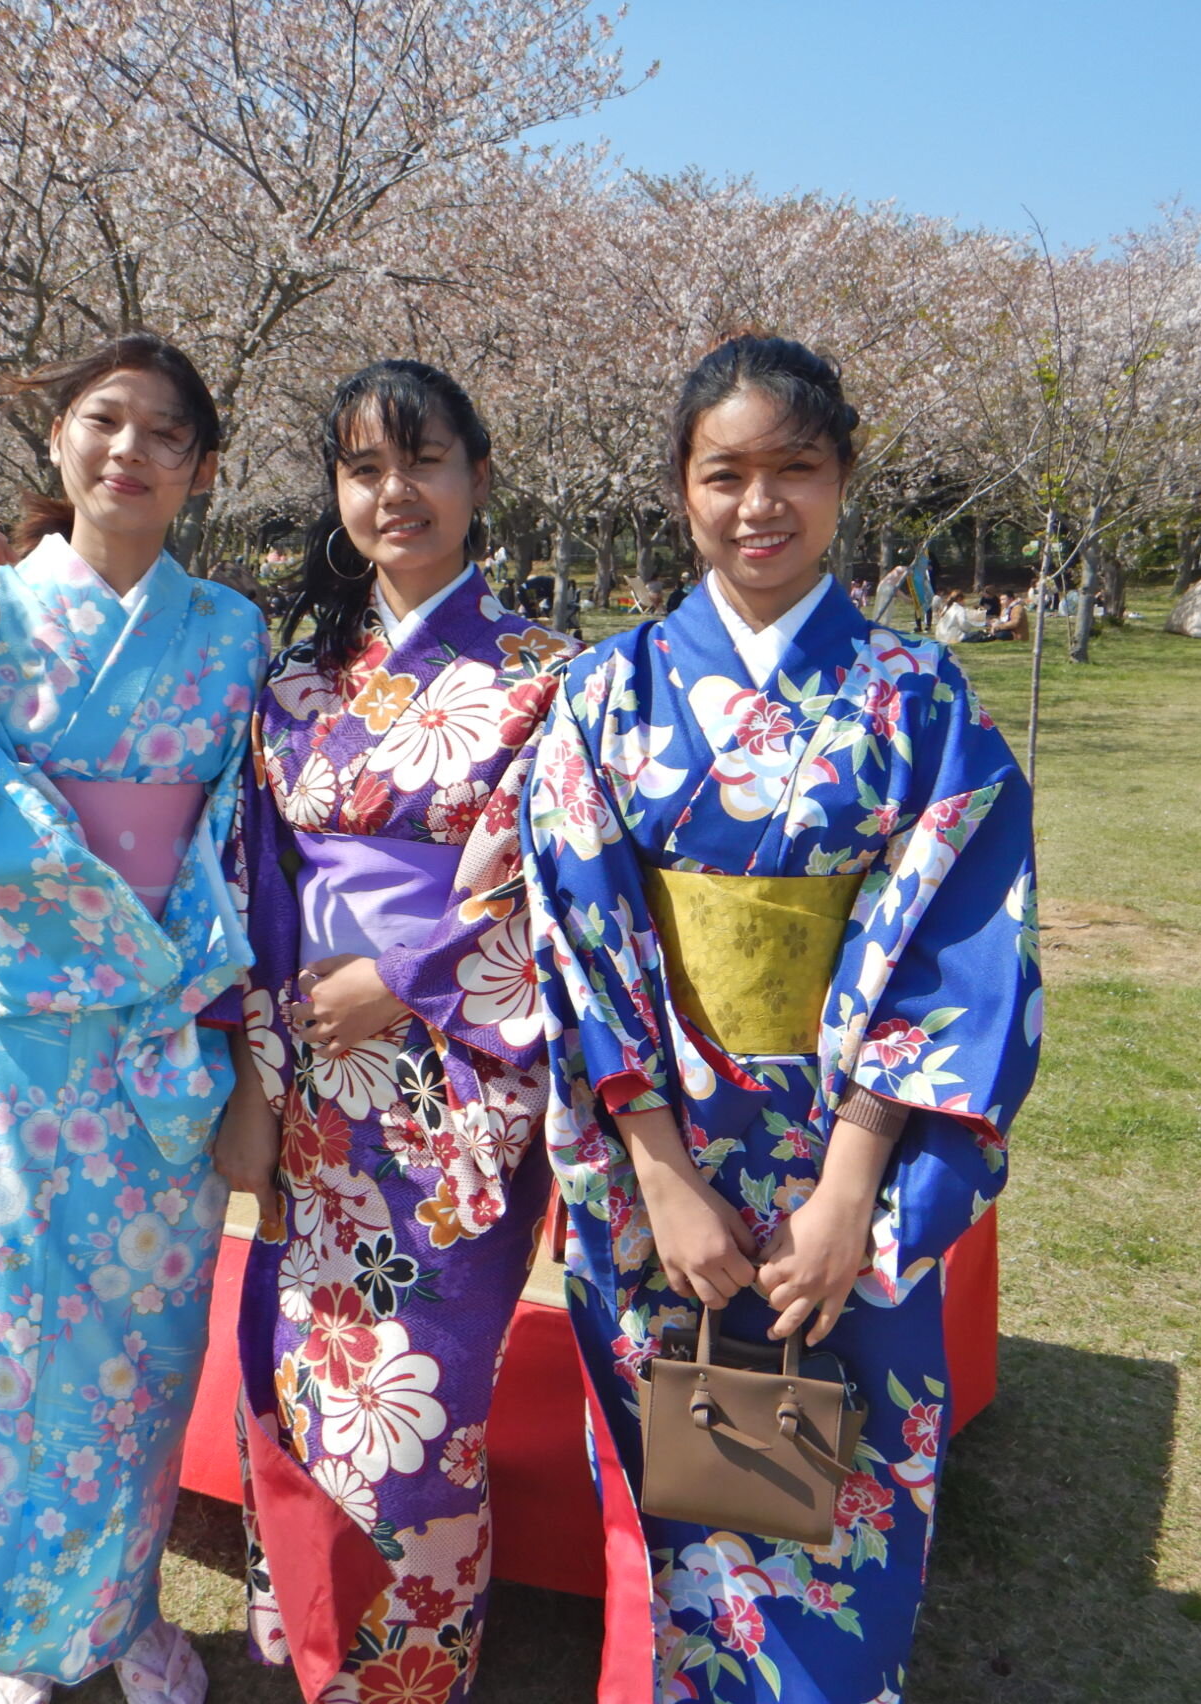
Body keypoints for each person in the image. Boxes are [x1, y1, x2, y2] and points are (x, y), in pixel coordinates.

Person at [522, 335, 1041, 1704]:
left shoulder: (919, 695)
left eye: (794, 469)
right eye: (725, 474)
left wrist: (850, 1188)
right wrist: (660, 1173)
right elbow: (576, 940)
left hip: (849, 1152)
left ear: (844, 479)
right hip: (662, 1155)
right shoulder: (605, 693)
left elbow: (961, 944)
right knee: (680, 1488)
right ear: (681, 490)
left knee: (842, 1494)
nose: (760, 505)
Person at [0, 333, 269, 1704]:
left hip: (159, 1036)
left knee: (144, 1352)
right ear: (59, 439)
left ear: (202, 468)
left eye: (163, 433)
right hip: (18, 1030)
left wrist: (193, 985)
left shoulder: (232, 632)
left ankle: (122, 1614)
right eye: (102, 421)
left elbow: (245, 839)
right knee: (2, 1337)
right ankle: (18, 1640)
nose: (128, 451)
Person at [228, 362, 577, 1704]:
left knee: (427, 1408)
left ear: (478, 478)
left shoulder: (551, 676)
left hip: (456, 1092)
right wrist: (259, 1075)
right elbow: (261, 889)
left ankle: (413, 1676)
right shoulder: (296, 685)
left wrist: (402, 977)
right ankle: (316, 1644)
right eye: (365, 468)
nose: (395, 492)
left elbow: (557, 879)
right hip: (315, 1082)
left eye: (423, 462)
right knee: (307, 1374)